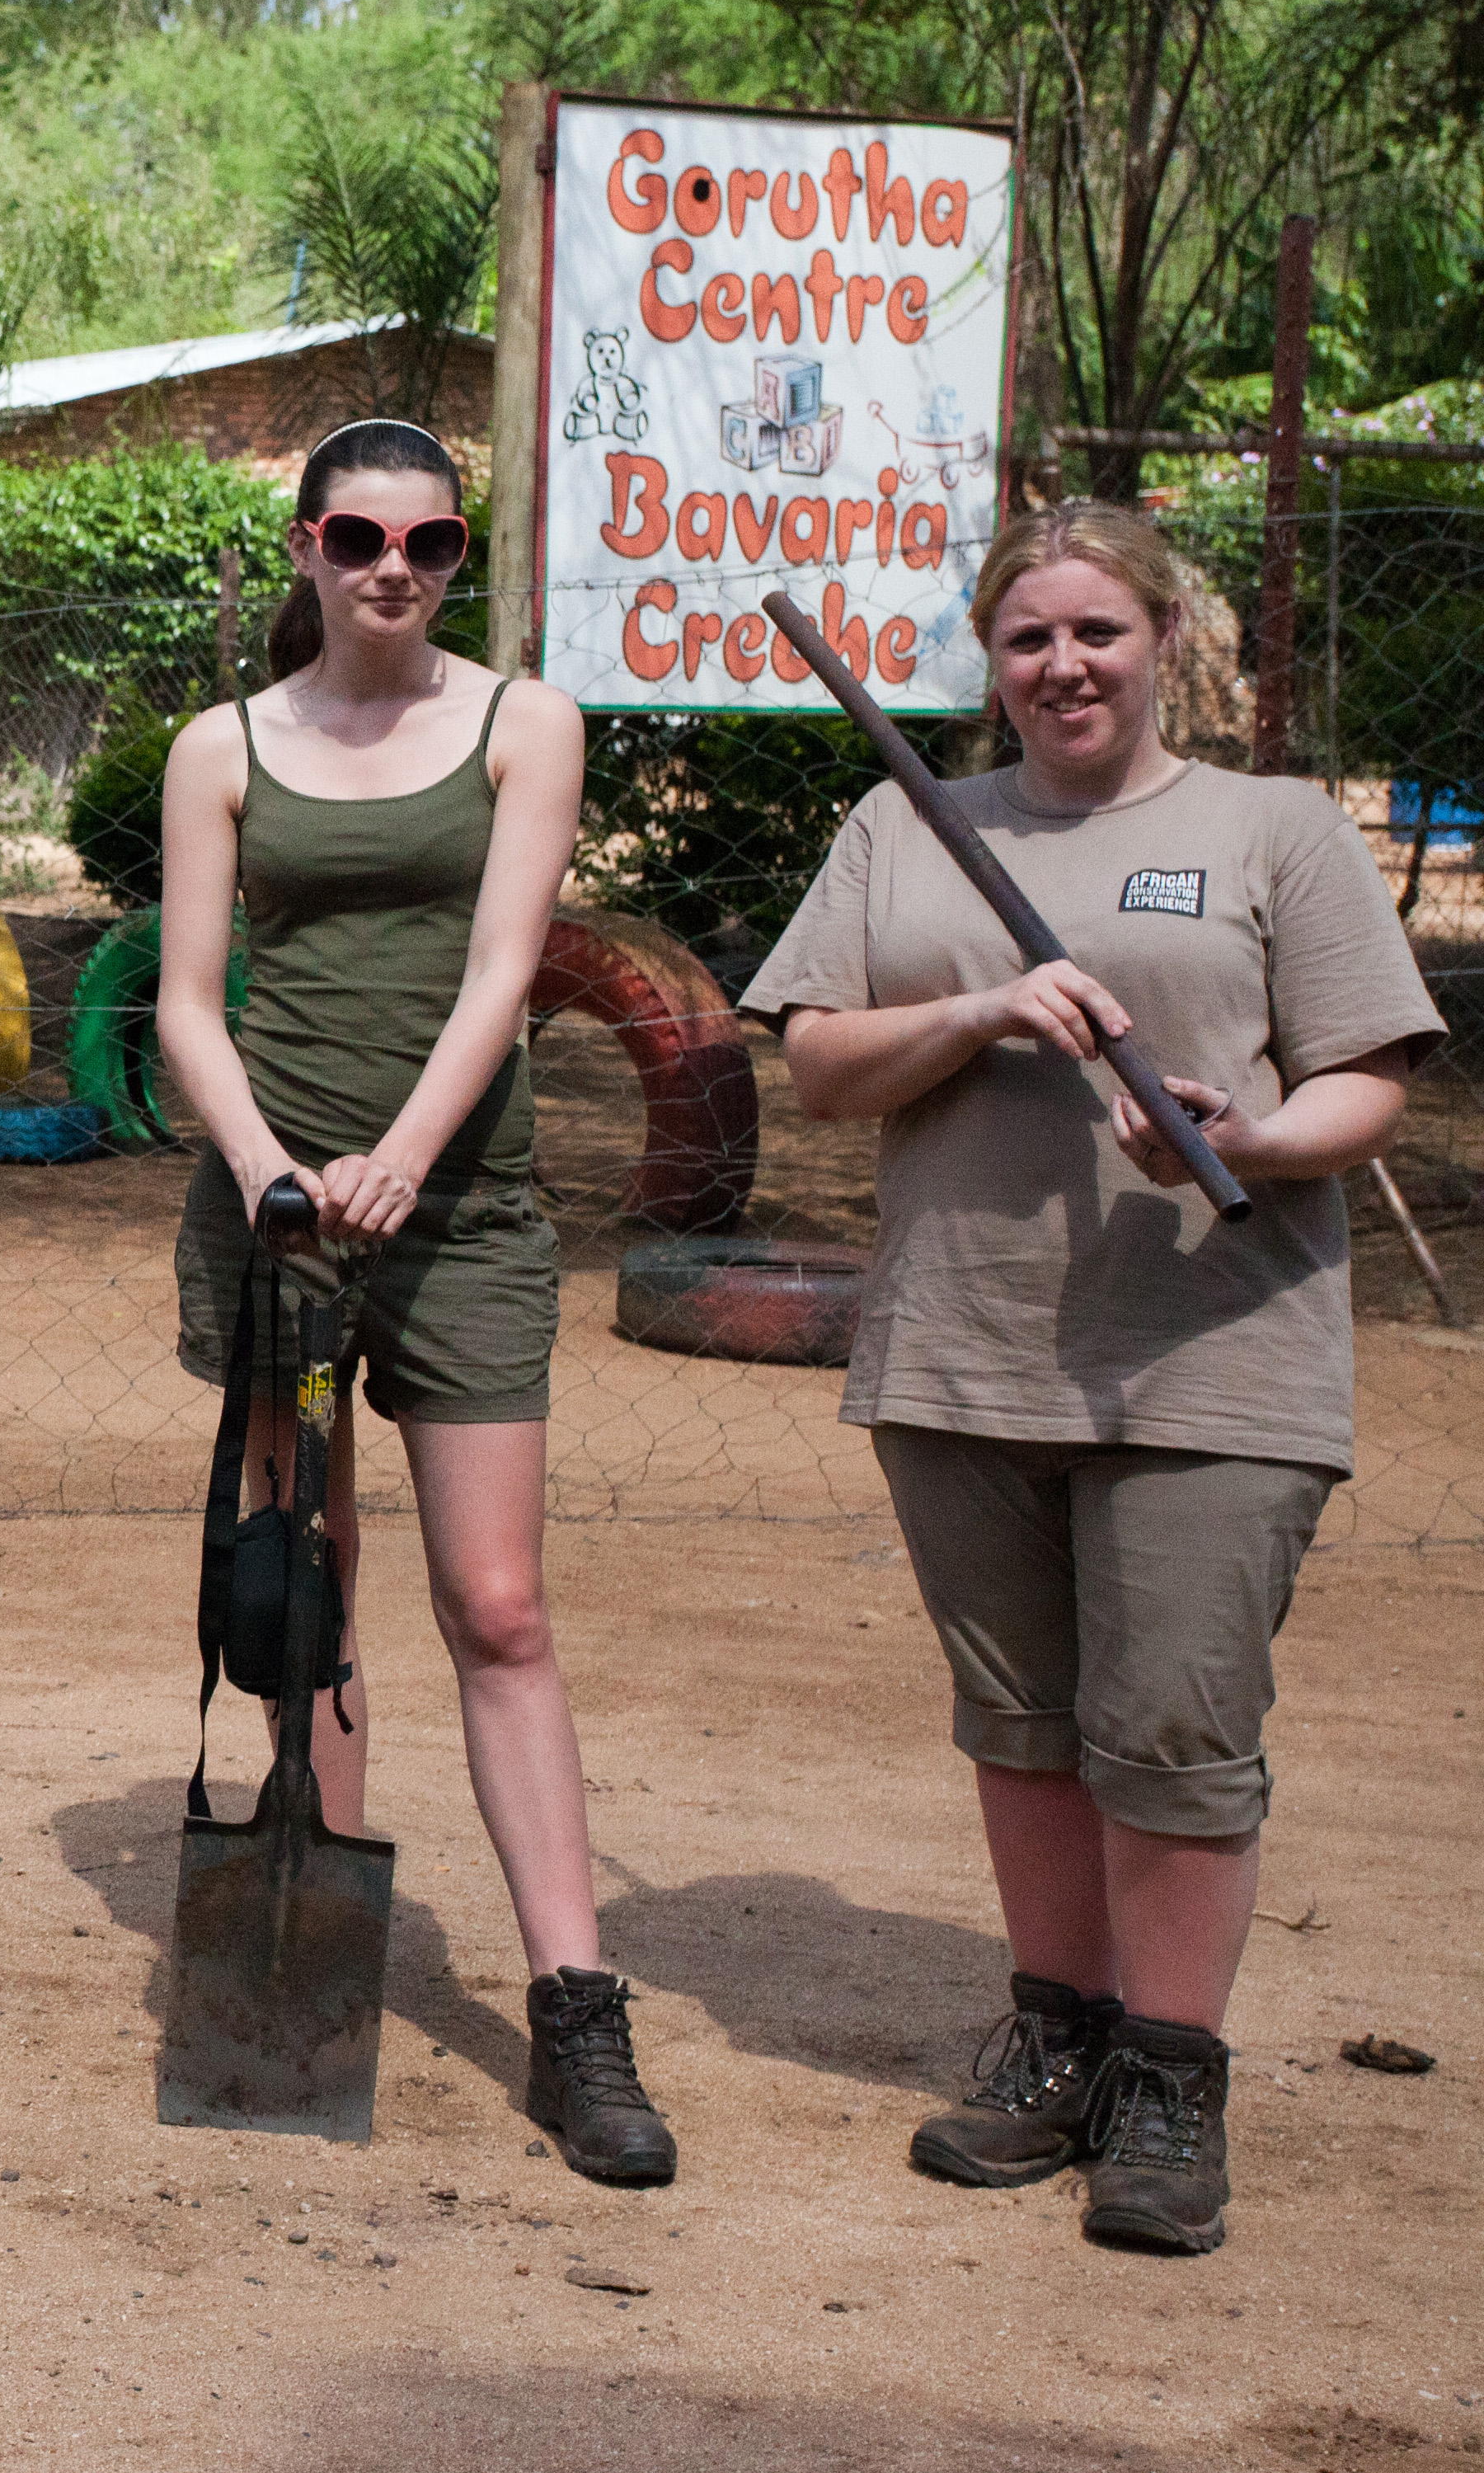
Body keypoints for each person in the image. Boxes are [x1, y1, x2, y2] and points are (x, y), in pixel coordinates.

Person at [746, 499, 1435, 2256]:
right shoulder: (910, 829)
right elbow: (821, 1067)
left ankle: (1172, 2078)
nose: (1065, 664)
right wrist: (977, 1016)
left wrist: (1258, 1135)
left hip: (1213, 1350)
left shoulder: (1270, 829)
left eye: (1097, 632)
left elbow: (1369, 1083)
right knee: (1027, 1725)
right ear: (993, 659)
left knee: (1180, 1730)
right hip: (964, 1347)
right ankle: (1058, 2038)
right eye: (1031, 636)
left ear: (1161, 641)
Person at [152, 416, 674, 2184]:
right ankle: (316, 1970)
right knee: (305, 1591)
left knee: (501, 1602)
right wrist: (265, 1168)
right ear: (305, 547)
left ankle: (576, 2004)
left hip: (454, 1215)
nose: (393, 568)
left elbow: (507, 973)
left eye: (429, 542)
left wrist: (392, 1154)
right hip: (275, 1218)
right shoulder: (221, 746)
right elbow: (188, 1005)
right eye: (360, 537)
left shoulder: (524, 724)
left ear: (462, 554)